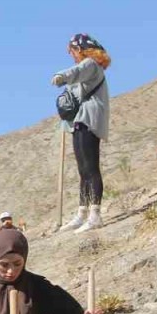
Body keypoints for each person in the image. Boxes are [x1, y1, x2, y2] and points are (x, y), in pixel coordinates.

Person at [53, 34, 112, 234]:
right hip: (79, 120)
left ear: (80, 49)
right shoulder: (88, 69)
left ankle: (95, 214)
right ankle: (82, 212)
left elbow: (75, 72)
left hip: (89, 119)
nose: (72, 55)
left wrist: (61, 77)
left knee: (91, 167)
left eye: (72, 51)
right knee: (83, 170)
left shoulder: (90, 64)